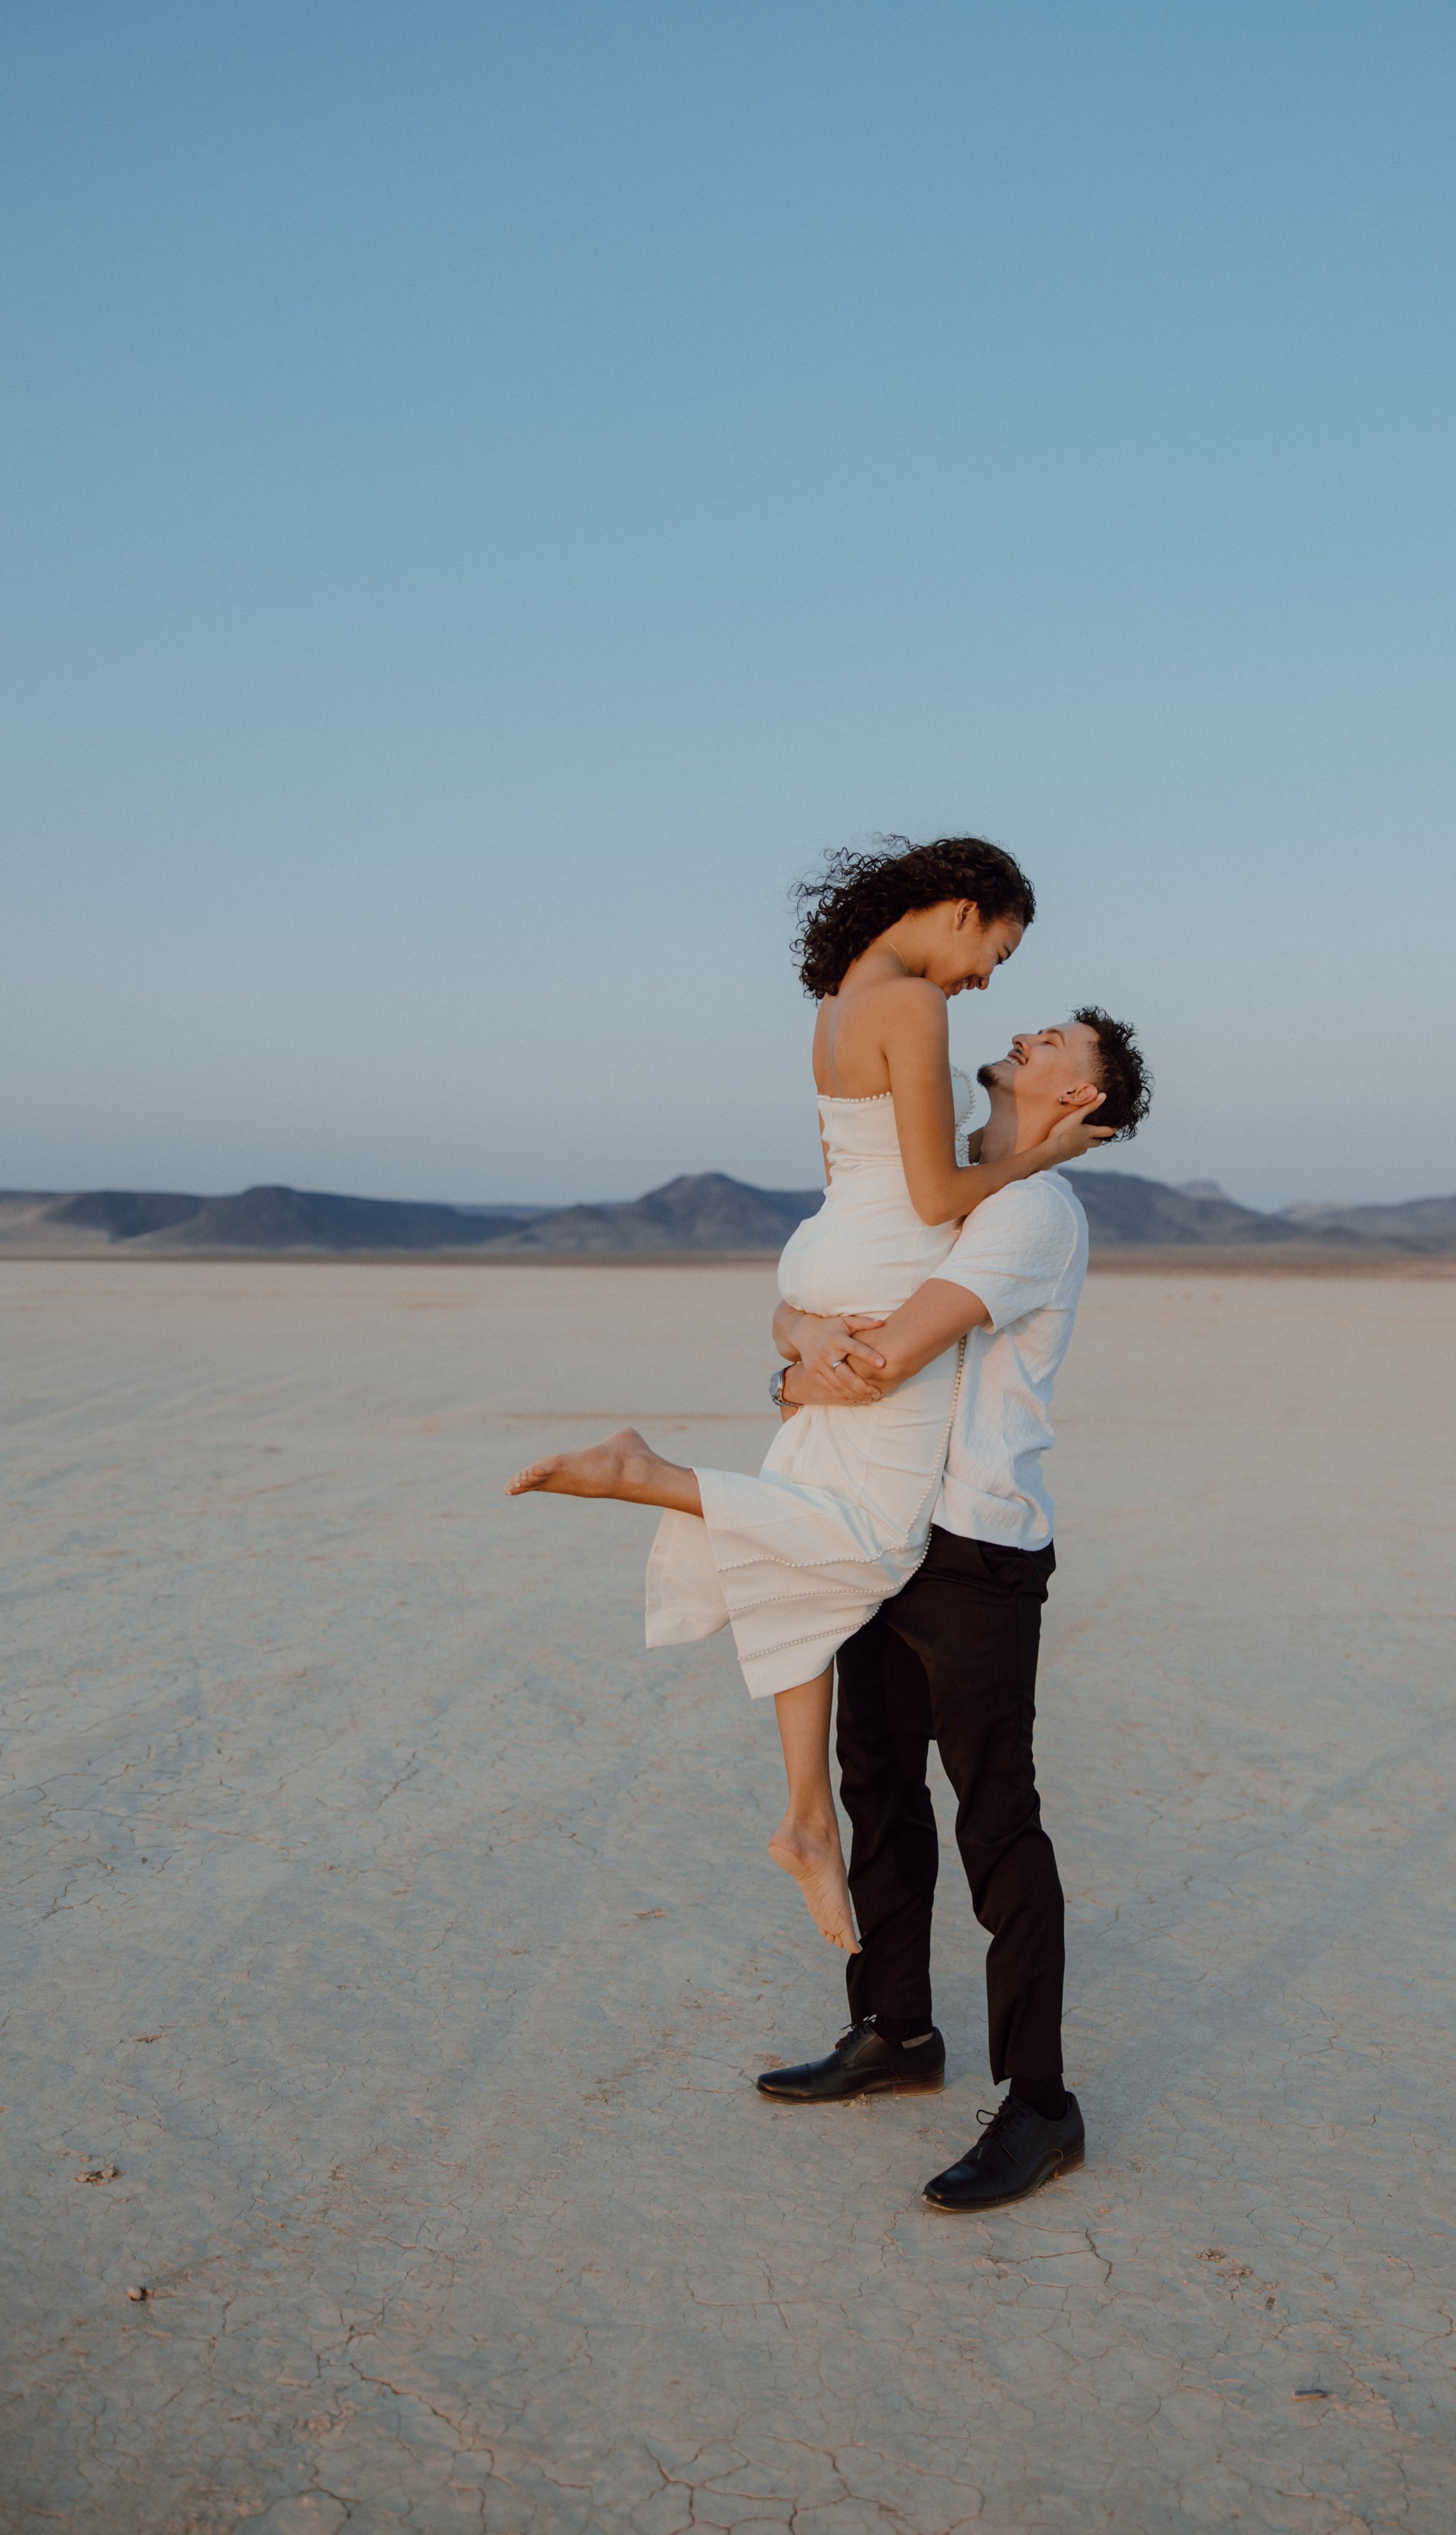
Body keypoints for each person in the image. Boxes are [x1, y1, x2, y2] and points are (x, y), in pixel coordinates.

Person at [505, 837, 1112, 1960]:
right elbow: (935, 1195)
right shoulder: (914, 1003)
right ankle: (649, 1475)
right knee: (872, 1541)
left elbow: (848, 1174)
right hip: (888, 1273)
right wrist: (1045, 1155)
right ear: (962, 909)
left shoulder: (838, 1003)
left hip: (827, 1259)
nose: (987, 980)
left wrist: (795, 1329)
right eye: (997, 949)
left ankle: (804, 1818)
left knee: (806, 1534)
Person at [753, 1006, 1151, 2211]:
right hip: (887, 1526)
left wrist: (795, 1371)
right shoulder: (948, 1189)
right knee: (876, 1784)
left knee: (995, 1819)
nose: (1028, 1032)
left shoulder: (1032, 1211)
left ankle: (1041, 2103)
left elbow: (886, 1354)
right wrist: (796, 1337)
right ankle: (896, 2030)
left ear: (1081, 1100)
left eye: (1057, 1041)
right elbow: (818, 1293)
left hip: (975, 1547)